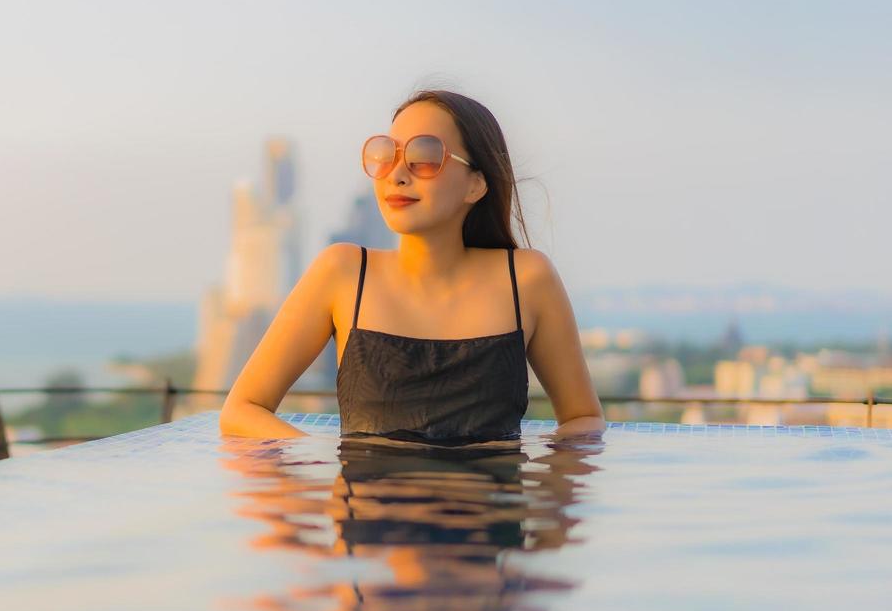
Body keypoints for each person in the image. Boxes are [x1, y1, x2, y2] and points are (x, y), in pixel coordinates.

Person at [219, 88, 606, 442]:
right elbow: (241, 410)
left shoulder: (527, 279)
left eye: (424, 157)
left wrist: (545, 501)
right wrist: (321, 478)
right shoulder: (343, 272)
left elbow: (583, 419)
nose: (397, 174)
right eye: (385, 155)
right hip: (367, 515)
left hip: (489, 515)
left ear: (476, 184)